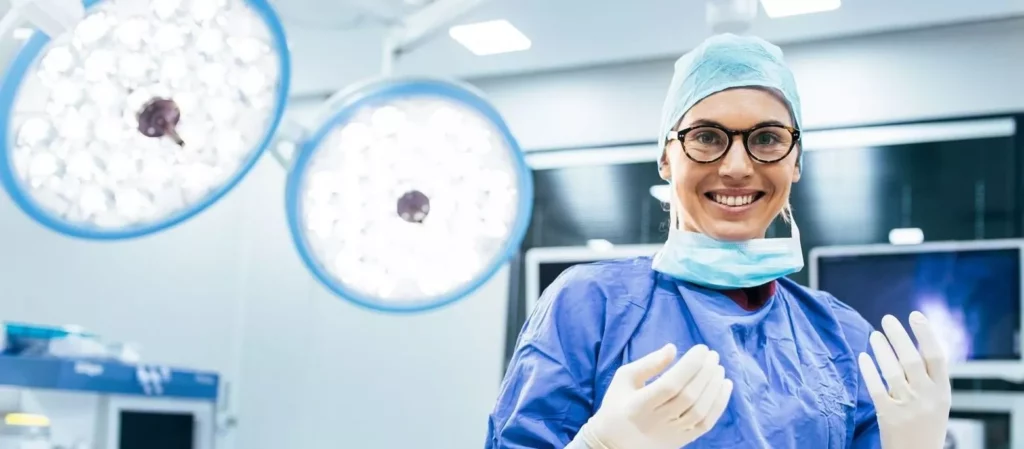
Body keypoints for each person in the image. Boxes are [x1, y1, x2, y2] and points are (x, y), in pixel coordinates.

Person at [485, 34, 952, 449]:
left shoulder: (841, 336)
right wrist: (598, 447)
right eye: (707, 137)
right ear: (666, 158)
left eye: (766, 139)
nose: (736, 167)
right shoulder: (589, 306)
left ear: (795, 163)